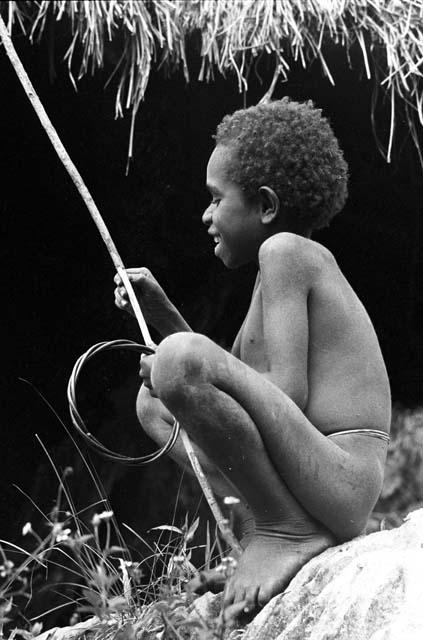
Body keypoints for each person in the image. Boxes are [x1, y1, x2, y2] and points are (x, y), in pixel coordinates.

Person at [114, 98, 391, 617]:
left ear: (265, 205)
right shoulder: (273, 273)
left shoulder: (284, 253)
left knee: (177, 362)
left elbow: (282, 393)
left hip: (340, 476)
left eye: (216, 199)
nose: (206, 214)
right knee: (153, 403)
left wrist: (180, 353)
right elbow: (226, 395)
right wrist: (164, 315)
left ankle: (284, 530)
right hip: (313, 473)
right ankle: (262, 525)